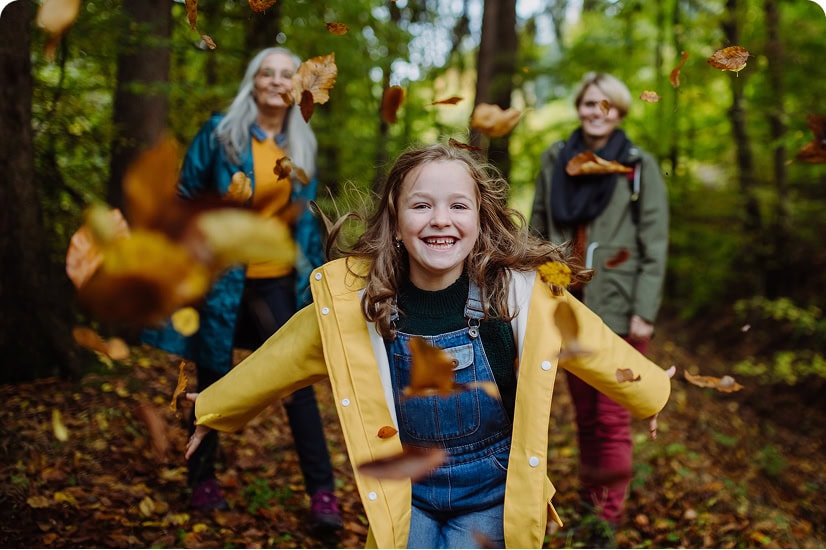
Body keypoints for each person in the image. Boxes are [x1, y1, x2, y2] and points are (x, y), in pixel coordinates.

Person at [183, 142, 674, 548]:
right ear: (395, 222)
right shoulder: (360, 304)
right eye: (421, 205)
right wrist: (213, 407)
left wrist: (648, 390)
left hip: (491, 493)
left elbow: (589, 338)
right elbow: (283, 357)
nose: (441, 219)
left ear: (480, 219)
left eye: (458, 205)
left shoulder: (516, 293)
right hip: (405, 491)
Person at [141, 46, 342, 530]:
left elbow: (304, 222)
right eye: (266, 73)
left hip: (278, 284)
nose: (275, 81)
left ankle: (323, 496)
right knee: (211, 380)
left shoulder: (300, 141)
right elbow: (186, 197)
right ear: (252, 82)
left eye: (285, 75)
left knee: (296, 386)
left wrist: (317, 281)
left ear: (297, 86)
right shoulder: (219, 133)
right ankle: (203, 480)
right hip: (222, 283)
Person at [529, 72, 670, 542]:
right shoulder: (556, 159)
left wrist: (643, 312)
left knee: (610, 419)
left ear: (620, 110)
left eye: (605, 104)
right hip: (567, 304)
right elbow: (538, 228)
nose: (595, 111)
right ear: (579, 107)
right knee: (586, 414)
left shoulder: (637, 165)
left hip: (618, 306)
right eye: (588, 103)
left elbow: (655, 242)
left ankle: (603, 524)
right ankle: (594, 502)